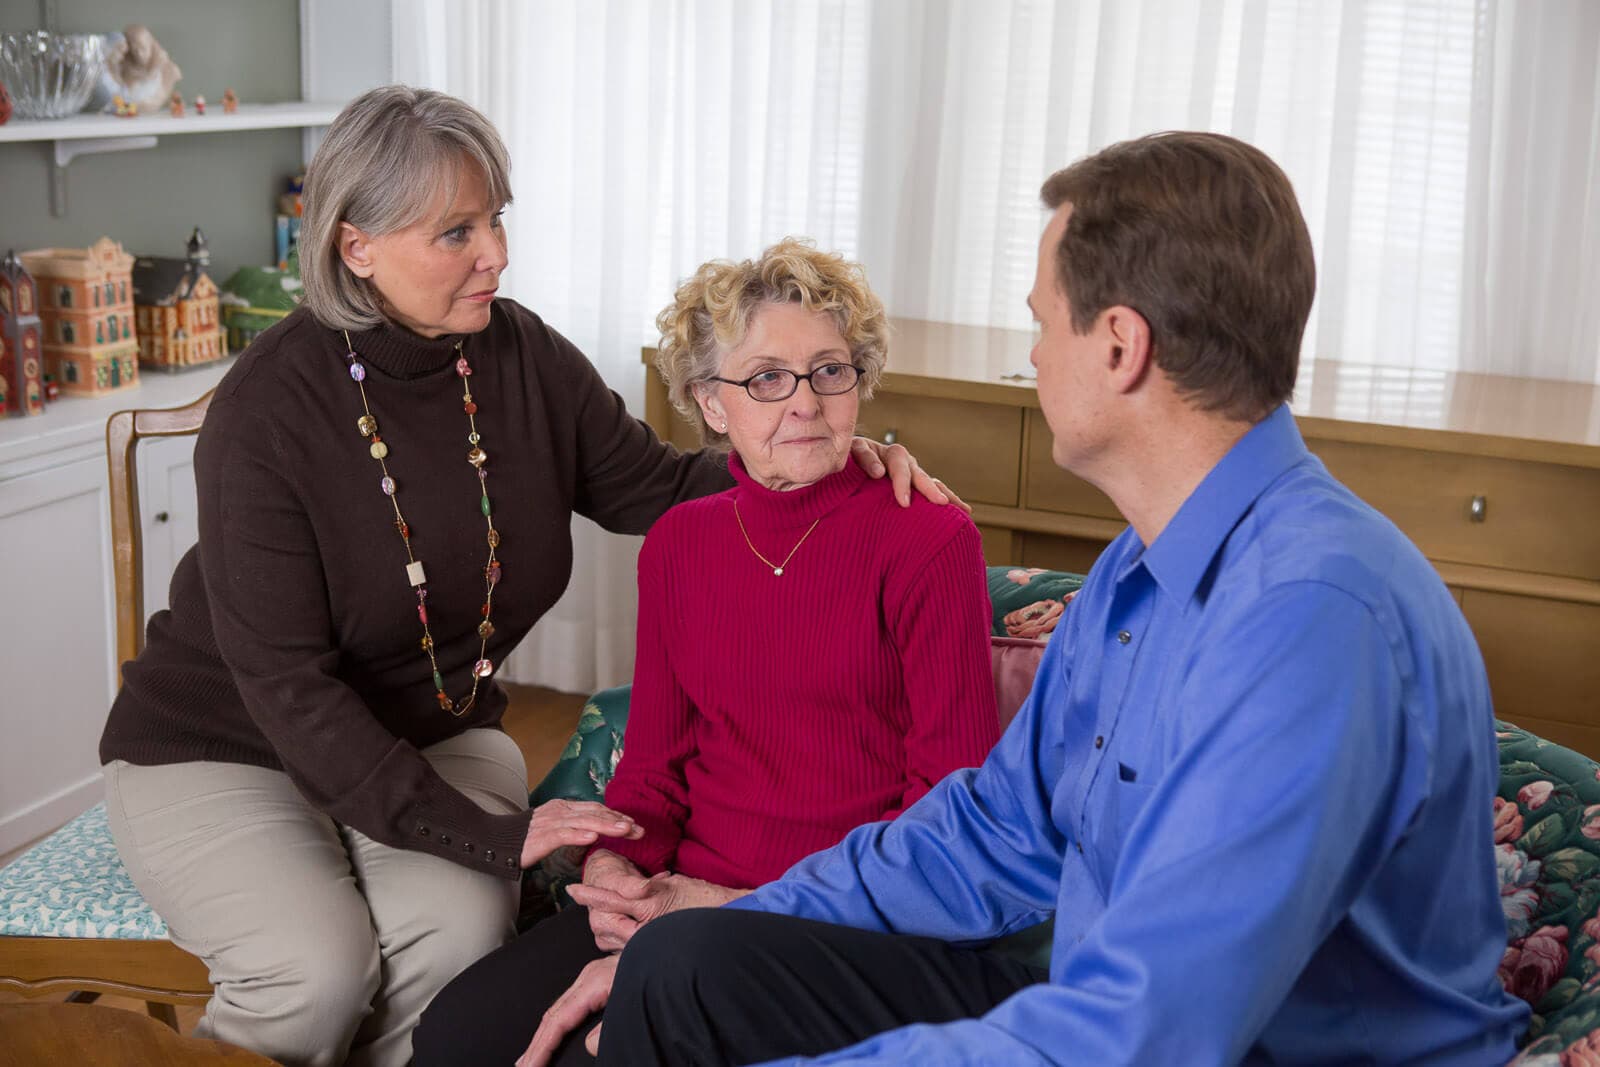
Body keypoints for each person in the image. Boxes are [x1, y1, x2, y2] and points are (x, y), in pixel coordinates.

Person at [587, 132, 1533, 1065]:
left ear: (1120, 345)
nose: (1033, 356)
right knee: (684, 967)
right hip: (1109, 996)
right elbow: (991, 830)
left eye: (1043, 323)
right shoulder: (1134, 570)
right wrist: (733, 916)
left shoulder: (1312, 617)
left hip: (1223, 1042)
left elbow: (1151, 1031)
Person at [96, 87, 952, 1067]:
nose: (494, 251)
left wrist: (828, 449)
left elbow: (658, 483)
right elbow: (290, 693)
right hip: (229, 742)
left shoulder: (521, 358)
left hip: (429, 729)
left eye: (495, 218)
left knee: (458, 950)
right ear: (355, 245)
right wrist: (497, 834)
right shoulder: (269, 412)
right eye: (456, 230)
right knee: (314, 969)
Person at [413, 238, 1001, 1067]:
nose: (803, 402)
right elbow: (654, 767)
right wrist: (618, 867)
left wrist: (730, 906)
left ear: (858, 382)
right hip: (680, 905)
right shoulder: (681, 544)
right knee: (456, 1035)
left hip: (848, 924)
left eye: (829, 371)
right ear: (711, 404)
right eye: (765, 378)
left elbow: (946, 814)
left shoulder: (927, 538)